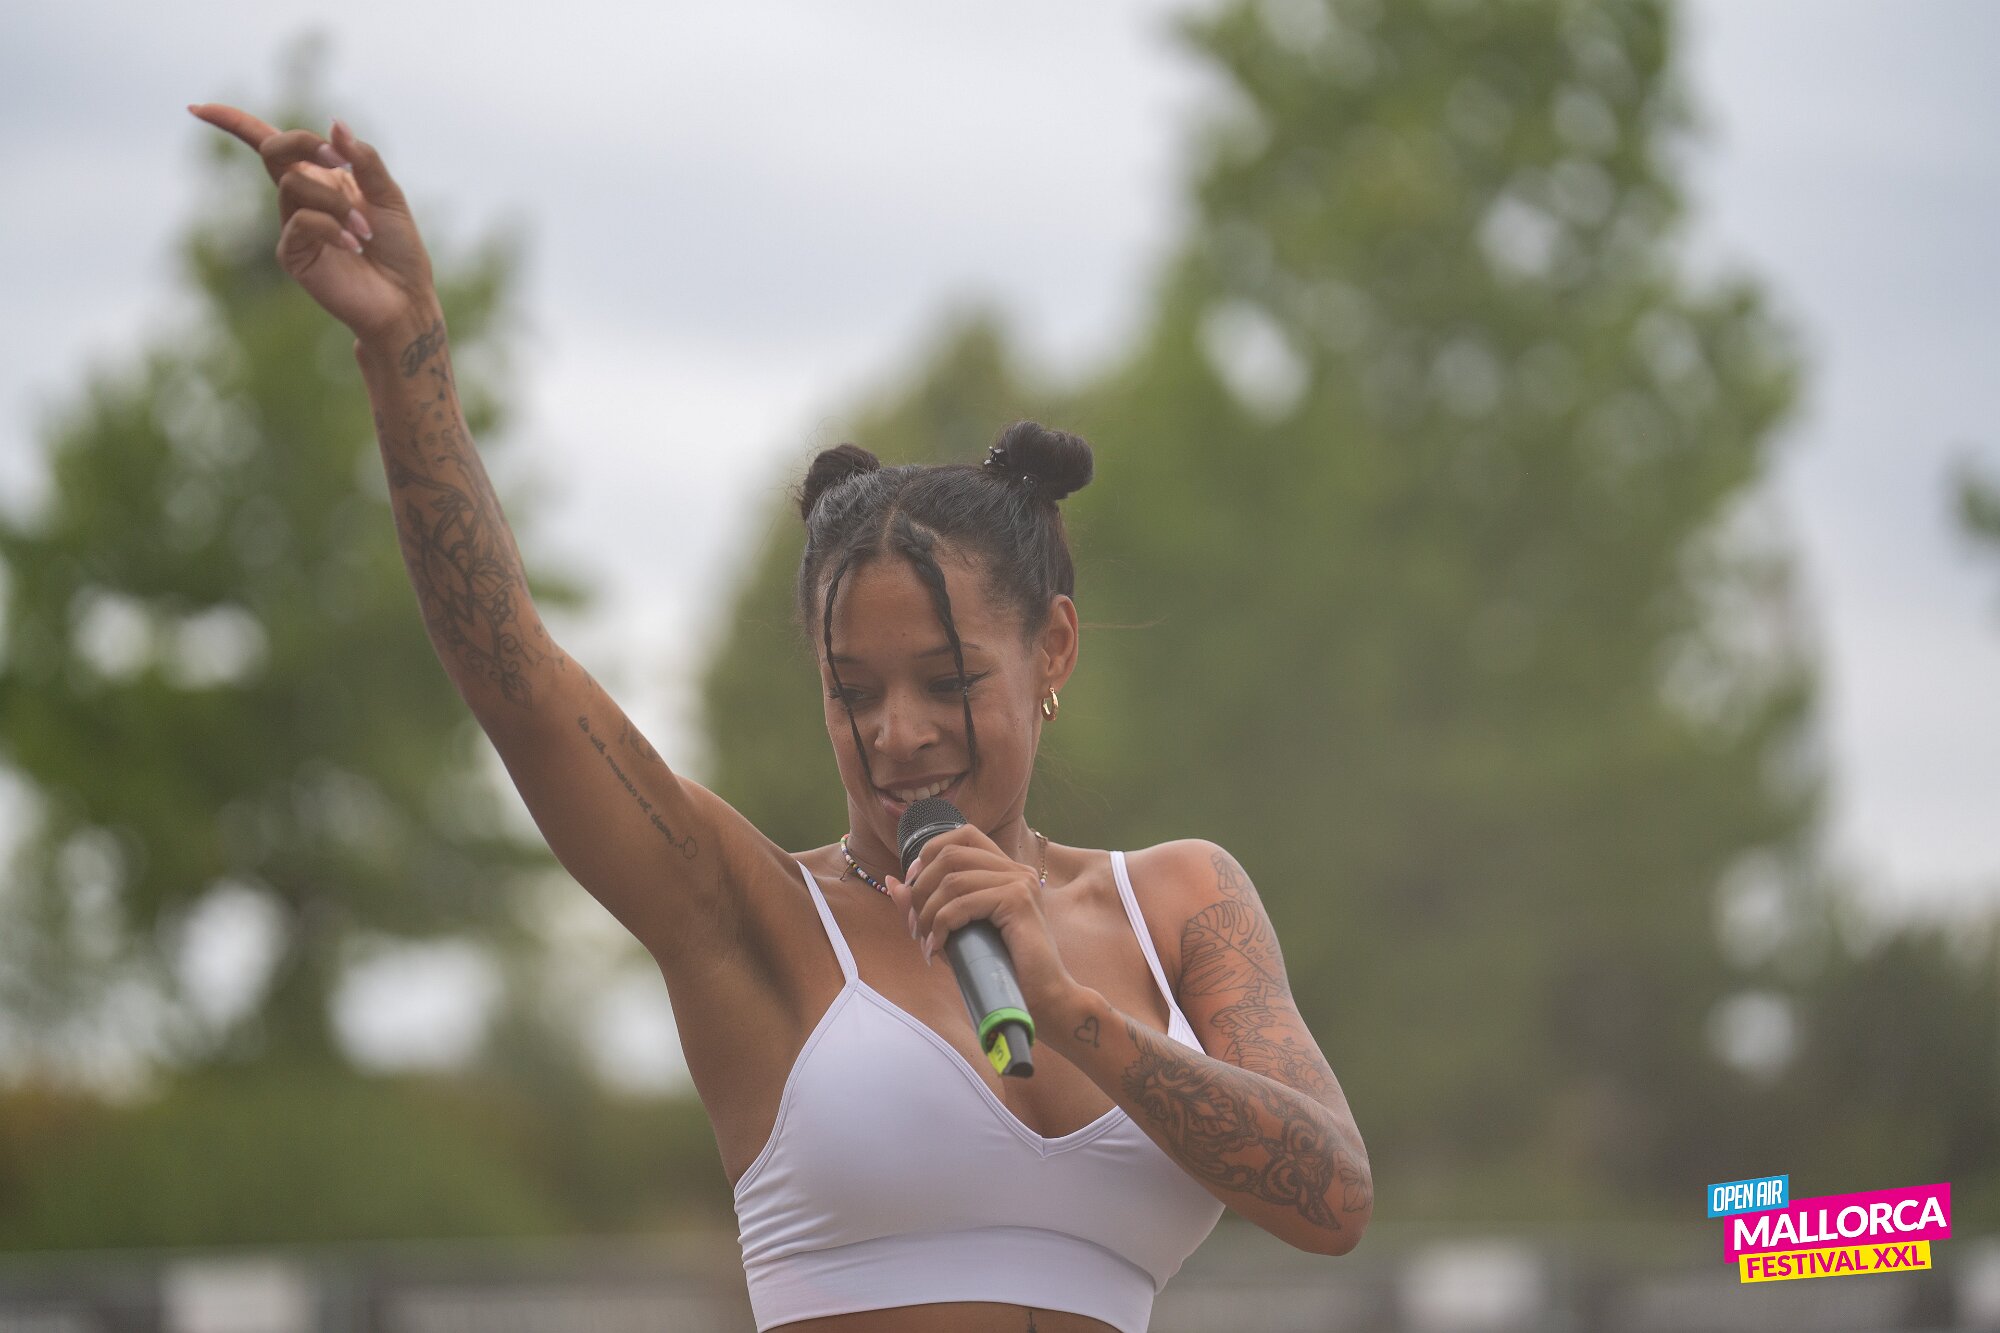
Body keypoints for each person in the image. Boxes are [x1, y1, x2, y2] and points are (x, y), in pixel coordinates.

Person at [188, 104, 1373, 1333]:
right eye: (852, 690)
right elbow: (516, 676)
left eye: (946, 680)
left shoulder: (1177, 900)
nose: (897, 732)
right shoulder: (748, 909)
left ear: (1052, 648)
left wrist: (1067, 1006)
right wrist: (406, 348)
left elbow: (1332, 1194)